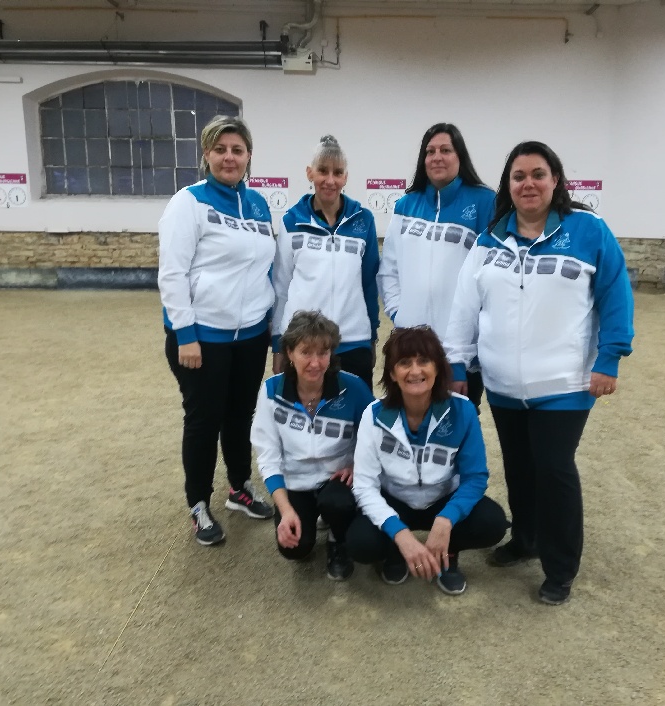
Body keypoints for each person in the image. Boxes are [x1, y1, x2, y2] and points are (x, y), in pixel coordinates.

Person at [444, 140, 635, 605]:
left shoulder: (588, 229)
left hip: (565, 383)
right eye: (518, 176)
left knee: (553, 468)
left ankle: (560, 567)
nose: (528, 184)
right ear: (507, 186)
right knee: (519, 467)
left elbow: (615, 293)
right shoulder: (489, 240)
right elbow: (464, 307)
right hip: (503, 384)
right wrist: (456, 362)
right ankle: (526, 539)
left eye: (537, 174)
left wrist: (609, 357)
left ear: (556, 180)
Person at [158, 115, 276, 547]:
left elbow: (265, 266)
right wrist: (185, 333)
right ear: (206, 154)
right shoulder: (188, 202)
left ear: (248, 156)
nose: (229, 157)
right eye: (220, 149)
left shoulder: (258, 204)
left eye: (237, 150)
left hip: (250, 335)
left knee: (240, 415)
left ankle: (239, 488)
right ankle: (198, 503)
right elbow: (172, 274)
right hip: (202, 338)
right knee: (204, 420)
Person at [347, 326, 507, 596]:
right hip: (395, 499)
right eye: (404, 362)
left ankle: (447, 553)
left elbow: (475, 477)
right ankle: (396, 552)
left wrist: (446, 520)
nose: (415, 371)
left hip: (443, 498)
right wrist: (400, 534)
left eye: (424, 361)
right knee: (360, 543)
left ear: (438, 368)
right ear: (392, 373)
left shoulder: (463, 410)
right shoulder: (373, 415)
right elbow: (364, 485)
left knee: (492, 523)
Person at [376, 123, 495, 408]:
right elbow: (389, 269)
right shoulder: (406, 204)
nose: (437, 157)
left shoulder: (485, 201)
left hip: (461, 351)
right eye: (430, 151)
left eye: (445, 150)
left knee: (456, 421)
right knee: (410, 418)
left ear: (460, 156)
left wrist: (465, 348)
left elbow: (490, 276)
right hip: (411, 343)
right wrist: (399, 314)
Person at [251, 311, 374, 580]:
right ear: (289, 353)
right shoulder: (270, 392)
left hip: (338, 479)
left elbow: (376, 436)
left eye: (323, 352)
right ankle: (309, 516)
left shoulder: (353, 388)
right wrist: (285, 511)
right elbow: (268, 458)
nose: (316, 362)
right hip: (295, 482)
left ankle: (337, 540)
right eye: (306, 352)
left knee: (338, 504)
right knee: (294, 549)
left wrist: (357, 464)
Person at [271, 135, 380, 389]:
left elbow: (369, 284)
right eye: (322, 171)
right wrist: (278, 344)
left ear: (345, 177)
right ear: (310, 173)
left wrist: (372, 337)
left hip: (353, 341)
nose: (330, 180)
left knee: (355, 412)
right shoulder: (291, 221)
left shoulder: (364, 220)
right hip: (303, 343)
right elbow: (280, 286)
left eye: (337, 172)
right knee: (303, 412)